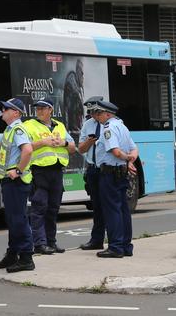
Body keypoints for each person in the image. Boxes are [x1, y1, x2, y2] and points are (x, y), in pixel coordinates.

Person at [0, 98, 35, 273]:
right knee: (13, 220)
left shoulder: (18, 129)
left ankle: (27, 257)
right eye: (3, 108)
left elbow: (28, 150)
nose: (3, 110)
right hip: (9, 182)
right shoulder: (9, 130)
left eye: (7, 108)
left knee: (19, 219)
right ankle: (13, 254)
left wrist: (19, 171)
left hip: (16, 182)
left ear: (16, 113)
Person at [22, 97, 76, 255]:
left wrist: (64, 144)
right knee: (39, 208)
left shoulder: (60, 126)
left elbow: (73, 148)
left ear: (50, 110)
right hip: (39, 172)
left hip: (57, 172)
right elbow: (24, 147)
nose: (38, 111)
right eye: (37, 108)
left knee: (53, 209)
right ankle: (39, 244)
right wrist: (43, 142)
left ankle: (51, 243)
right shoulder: (29, 126)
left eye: (42, 108)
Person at [93, 100, 138, 258]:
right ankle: (126, 246)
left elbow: (116, 152)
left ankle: (115, 247)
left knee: (112, 210)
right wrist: (131, 159)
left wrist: (126, 158)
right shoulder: (122, 126)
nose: (96, 116)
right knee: (123, 209)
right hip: (121, 173)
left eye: (98, 113)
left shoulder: (109, 128)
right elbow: (134, 148)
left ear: (107, 114)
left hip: (110, 173)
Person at [77, 96, 105, 251]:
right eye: (91, 112)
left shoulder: (113, 124)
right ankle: (97, 240)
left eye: (95, 111)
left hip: (108, 170)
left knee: (111, 206)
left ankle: (117, 241)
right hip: (94, 169)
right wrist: (89, 141)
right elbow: (81, 149)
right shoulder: (88, 125)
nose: (93, 115)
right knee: (97, 206)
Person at [62, 58, 85, 135]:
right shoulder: (72, 76)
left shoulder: (78, 85)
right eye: (81, 72)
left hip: (76, 123)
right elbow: (75, 94)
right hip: (71, 123)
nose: (82, 75)